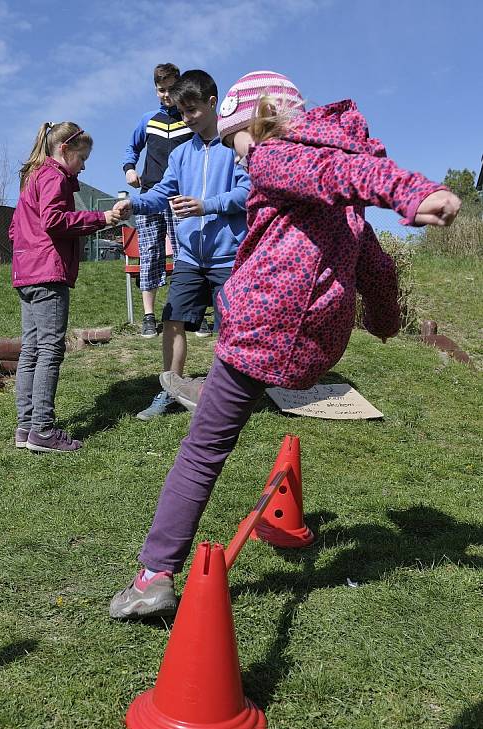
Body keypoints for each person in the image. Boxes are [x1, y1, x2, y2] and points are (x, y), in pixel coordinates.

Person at [110, 71, 461, 620]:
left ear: (262, 122)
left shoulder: (276, 158)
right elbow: (378, 267)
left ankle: (155, 572)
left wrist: (413, 193)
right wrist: (387, 321)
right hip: (314, 348)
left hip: (259, 332)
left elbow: (334, 167)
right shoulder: (344, 210)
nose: (240, 156)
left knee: (203, 450)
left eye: (237, 141)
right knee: (222, 418)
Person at [121, 69, 250, 421]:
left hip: (230, 256)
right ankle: (171, 390)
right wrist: (135, 203)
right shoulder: (180, 154)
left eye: (192, 111)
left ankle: (228, 398)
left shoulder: (235, 145)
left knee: (232, 328)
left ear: (213, 103)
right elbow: (162, 193)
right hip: (190, 258)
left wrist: (206, 205)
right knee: (172, 319)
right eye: (181, 112)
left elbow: (248, 192)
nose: (187, 118)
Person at [10, 122, 125, 453]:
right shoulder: (53, 176)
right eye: (82, 157)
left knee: (31, 349)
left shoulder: (32, 177)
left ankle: (26, 427)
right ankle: (42, 430)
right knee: (49, 349)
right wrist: (101, 218)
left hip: (26, 272)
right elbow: (54, 221)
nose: (85, 165)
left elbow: (16, 231)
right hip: (47, 274)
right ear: (64, 150)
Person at [123, 63, 193, 339]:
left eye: (171, 89)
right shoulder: (148, 119)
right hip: (150, 196)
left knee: (184, 253)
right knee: (150, 252)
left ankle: (185, 313)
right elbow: (132, 147)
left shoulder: (189, 119)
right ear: (155, 90)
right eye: (161, 90)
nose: (166, 95)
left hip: (180, 197)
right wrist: (129, 167)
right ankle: (149, 316)